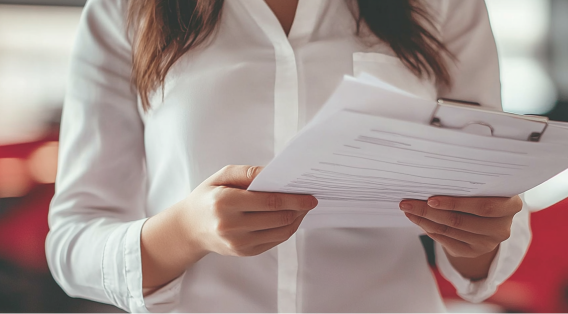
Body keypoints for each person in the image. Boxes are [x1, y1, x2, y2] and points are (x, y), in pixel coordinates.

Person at [45, 0, 532, 313]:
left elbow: (494, 196)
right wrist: (185, 232)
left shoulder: (445, 5)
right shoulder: (122, 10)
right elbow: (71, 243)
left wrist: (480, 236)